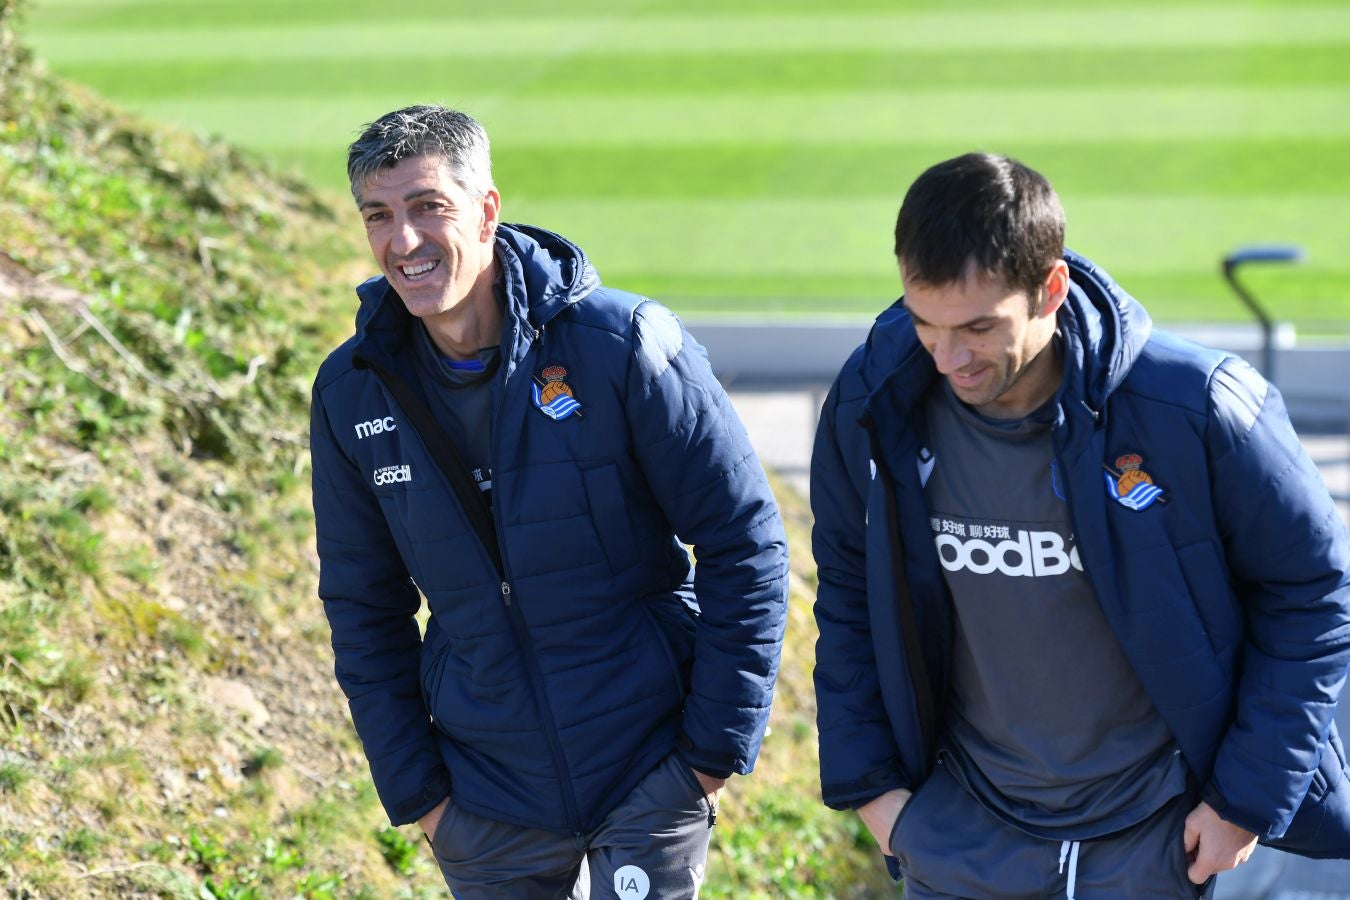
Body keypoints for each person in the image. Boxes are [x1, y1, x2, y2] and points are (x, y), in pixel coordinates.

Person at [810, 152, 1350, 898]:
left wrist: (1241, 803)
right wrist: (877, 797)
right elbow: (845, 593)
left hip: (1156, 844)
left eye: (976, 327)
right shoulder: (872, 405)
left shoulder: (1195, 408)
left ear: (1050, 289)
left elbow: (1314, 593)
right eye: (924, 323)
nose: (948, 358)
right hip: (961, 840)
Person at [309, 105, 788, 898]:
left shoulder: (621, 344)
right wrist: (425, 801)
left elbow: (745, 542)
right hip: (484, 801)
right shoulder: (350, 390)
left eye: (429, 208)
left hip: (648, 768)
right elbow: (362, 608)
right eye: (378, 216)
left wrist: (709, 754)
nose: (403, 242)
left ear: (488, 210)